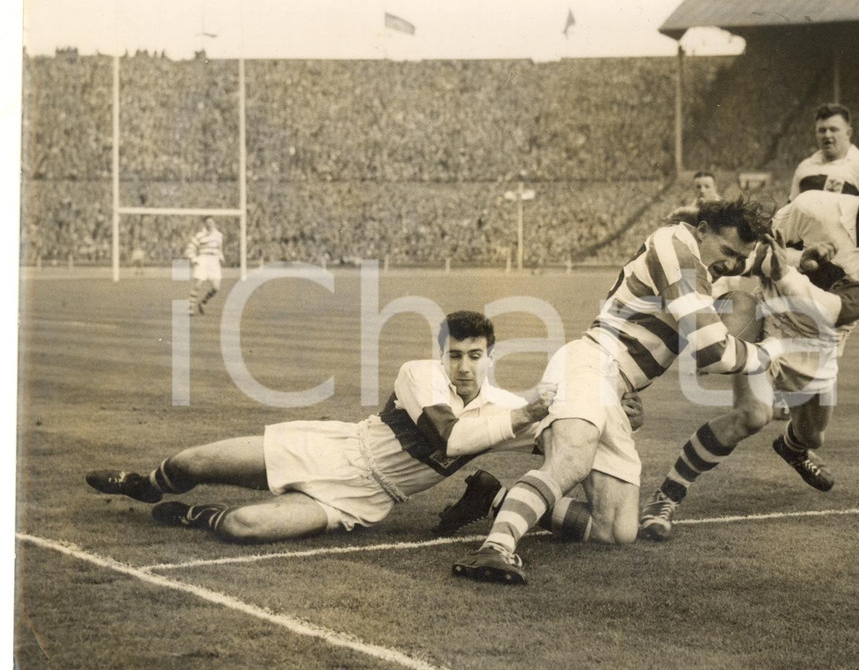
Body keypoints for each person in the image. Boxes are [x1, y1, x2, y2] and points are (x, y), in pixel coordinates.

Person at [450, 197, 784, 585]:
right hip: (591, 363)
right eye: (726, 251)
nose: (730, 263)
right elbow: (713, 353)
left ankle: (494, 498)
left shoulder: (699, 269)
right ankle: (495, 548)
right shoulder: (675, 243)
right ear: (703, 229)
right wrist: (773, 349)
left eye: (738, 258)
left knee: (615, 529)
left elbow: (707, 353)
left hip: (616, 385)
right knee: (569, 463)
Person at [640, 155, 859, 541]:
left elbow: (837, 311)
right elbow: (754, 243)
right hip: (768, 316)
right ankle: (666, 496)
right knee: (752, 415)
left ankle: (793, 448)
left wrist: (787, 271)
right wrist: (705, 219)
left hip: (821, 344)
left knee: (813, 437)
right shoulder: (816, 207)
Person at [85, 311, 556, 543]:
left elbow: (563, 444)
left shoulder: (506, 408)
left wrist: (610, 414)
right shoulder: (421, 374)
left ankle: (194, 514)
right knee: (194, 461)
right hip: (335, 448)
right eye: (455, 355)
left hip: (366, 497)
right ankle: (145, 484)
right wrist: (523, 416)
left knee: (244, 527)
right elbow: (449, 438)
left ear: (490, 357)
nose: (464, 367)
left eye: (475, 356)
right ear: (441, 355)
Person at [789, 104, 859, 202]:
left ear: (848, 133)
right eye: (822, 130)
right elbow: (790, 210)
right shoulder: (805, 167)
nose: (827, 135)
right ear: (816, 134)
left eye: (833, 129)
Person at [186, 216, 225, 315]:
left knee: (216, 287)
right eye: (208, 222)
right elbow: (190, 249)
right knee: (197, 285)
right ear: (205, 224)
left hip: (214, 262)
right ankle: (190, 307)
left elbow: (220, 249)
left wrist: (221, 257)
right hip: (203, 259)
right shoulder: (199, 236)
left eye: (211, 222)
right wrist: (194, 259)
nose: (210, 224)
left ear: (214, 223)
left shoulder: (219, 235)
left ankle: (203, 302)